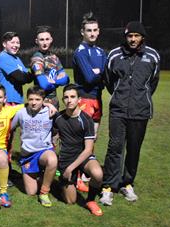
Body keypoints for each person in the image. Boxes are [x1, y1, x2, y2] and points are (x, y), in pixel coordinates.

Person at [100, 21, 160, 206]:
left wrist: (140, 98)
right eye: (129, 36)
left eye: (136, 36)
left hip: (140, 111)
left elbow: (153, 83)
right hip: (118, 110)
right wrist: (121, 96)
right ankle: (108, 187)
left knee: (134, 148)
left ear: (142, 37)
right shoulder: (115, 55)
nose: (133, 39)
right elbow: (109, 81)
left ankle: (127, 183)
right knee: (115, 148)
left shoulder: (153, 56)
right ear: (125, 37)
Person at [53, 84, 104, 216]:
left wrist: (71, 168)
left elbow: (88, 149)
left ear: (79, 99)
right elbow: (53, 139)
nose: (69, 100)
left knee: (98, 174)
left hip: (83, 156)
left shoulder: (86, 120)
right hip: (66, 158)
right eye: (66, 97)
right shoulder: (58, 118)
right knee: (71, 201)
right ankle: (65, 182)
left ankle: (91, 200)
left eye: (72, 97)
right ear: (63, 99)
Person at [72, 13, 107, 192]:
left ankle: (85, 173)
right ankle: (77, 176)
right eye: (88, 31)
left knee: (93, 138)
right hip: (84, 98)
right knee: (82, 140)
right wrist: (99, 73)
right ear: (82, 32)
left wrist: (97, 73)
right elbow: (88, 77)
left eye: (94, 30)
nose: (92, 34)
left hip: (97, 99)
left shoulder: (101, 52)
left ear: (98, 31)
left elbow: (102, 76)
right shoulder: (80, 51)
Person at [10, 86, 57, 207]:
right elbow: (10, 128)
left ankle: (44, 192)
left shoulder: (50, 112)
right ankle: (42, 176)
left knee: (52, 160)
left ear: (43, 100)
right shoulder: (21, 113)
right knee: (31, 192)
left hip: (44, 151)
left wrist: (50, 105)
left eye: (37, 99)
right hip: (27, 156)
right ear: (27, 99)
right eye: (31, 99)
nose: (34, 102)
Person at [30, 26, 69, 109]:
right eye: (41, 40)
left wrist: (53, 81)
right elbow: (44, 84)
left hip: (54, 102)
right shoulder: (37, 59)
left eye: (47, 39)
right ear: (36, 41)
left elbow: (66, 79)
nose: (45, 42)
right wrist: (58, 80)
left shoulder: (54, 57)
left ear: (51, 40)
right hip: (41, 104)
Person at [0, 31, 33, 105]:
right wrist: (26, 76)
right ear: (4, 44)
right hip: (6, 101)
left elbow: (29, 78)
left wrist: (27, 76)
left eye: (18, 43)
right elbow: (21, 78)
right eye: (12, 42)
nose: (16, 45)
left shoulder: (17, 59)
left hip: (17, 100)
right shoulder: (3, 57)